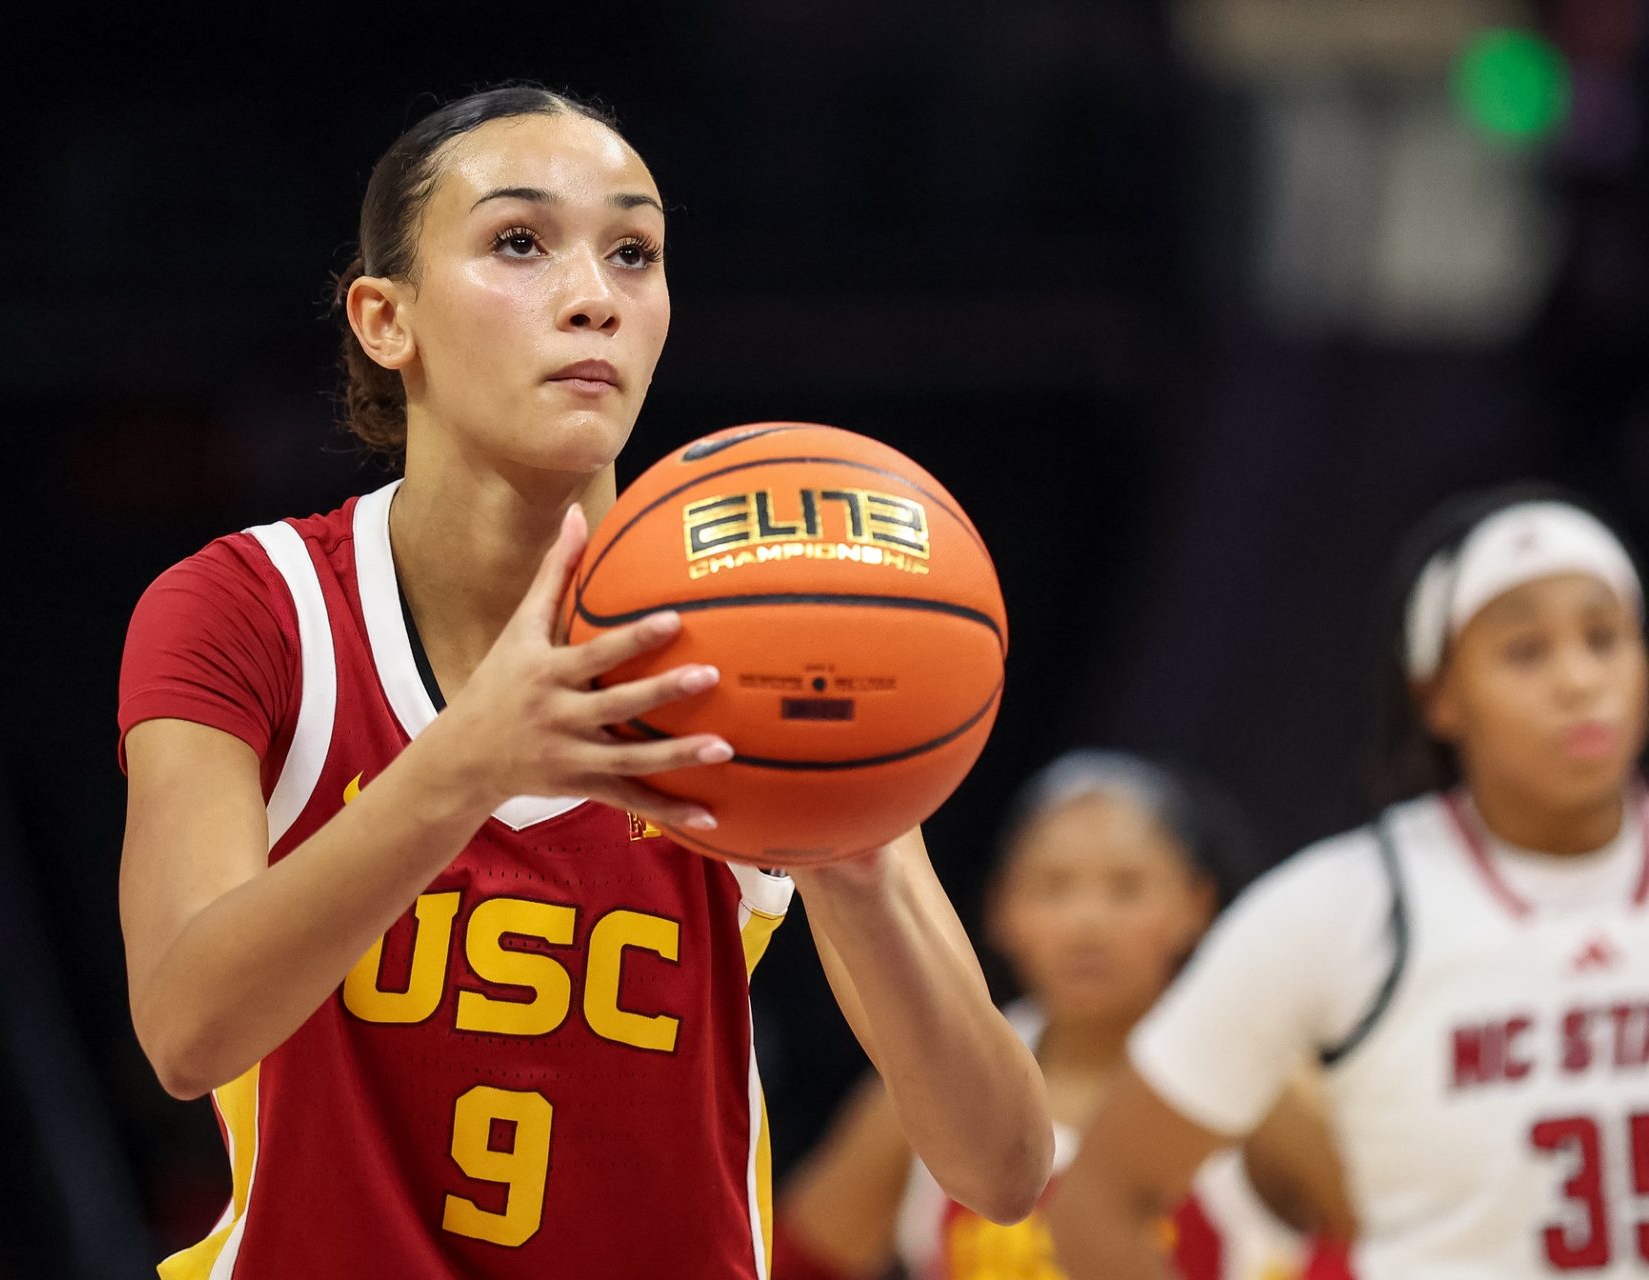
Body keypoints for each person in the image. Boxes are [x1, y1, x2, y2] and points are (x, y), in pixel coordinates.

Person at [115, 84, 1049, 1280]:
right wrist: (466, 763)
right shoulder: (252, 608)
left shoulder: (746, 635)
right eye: (519, 241)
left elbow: (1004, 1166)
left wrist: (858, 862)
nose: (594, 295)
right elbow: (189, 1030)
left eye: (633, 251)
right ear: (383, 318)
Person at [1049, 487, 1649, 1278]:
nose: (1578, 680)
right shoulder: (1342, 907)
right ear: (1437, 696)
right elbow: (1098, 1205)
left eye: (1604, 639)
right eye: (1525, 652)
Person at [773, 752, 1352, 1280]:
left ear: (1195, 905)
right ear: (1003, 910)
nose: (1087, 924)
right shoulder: (932, 1087)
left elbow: (1403, 1243)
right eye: (1053, 887)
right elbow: (794, 1259)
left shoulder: (1260, 1084)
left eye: (1126, 889)